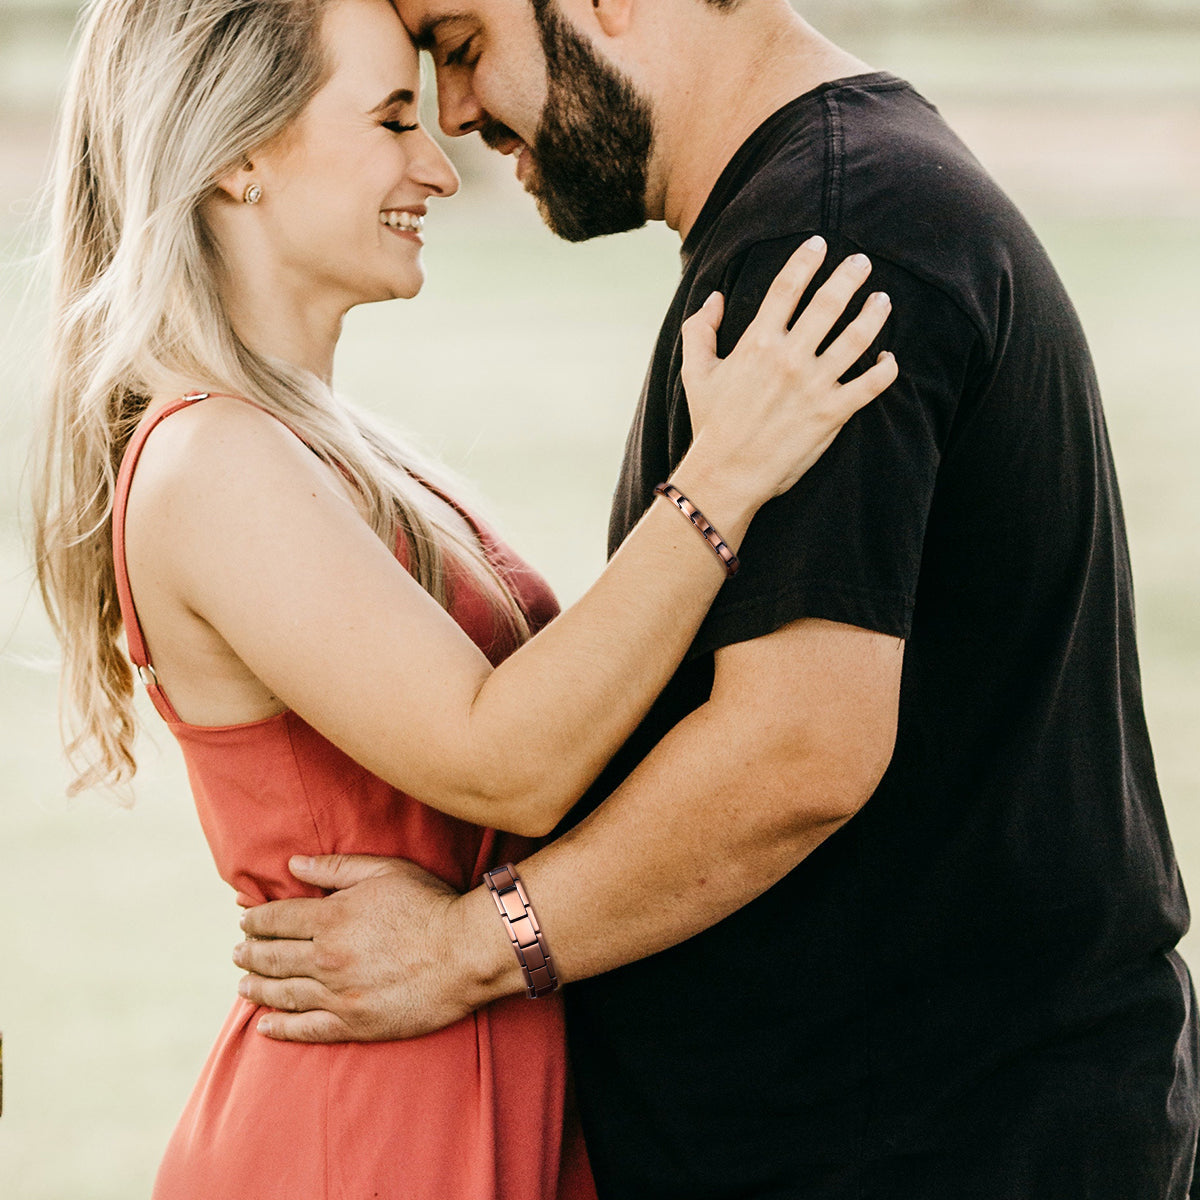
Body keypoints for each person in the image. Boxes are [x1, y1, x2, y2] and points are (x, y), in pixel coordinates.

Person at [233, 0, 1200, 1197]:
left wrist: (466, 949)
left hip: (928, 1141)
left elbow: (798, 748)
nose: (460, 113)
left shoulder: (826, 241)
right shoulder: (837, 200)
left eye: (465, 47)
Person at [30, 0, 898, 1196]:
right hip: (365, 1126)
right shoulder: (207, 463)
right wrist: (725, 475)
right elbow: (508, 763)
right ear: (239, 155)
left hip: (474, 1075)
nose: (438, 168)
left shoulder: (319, 448)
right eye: (393, 120)